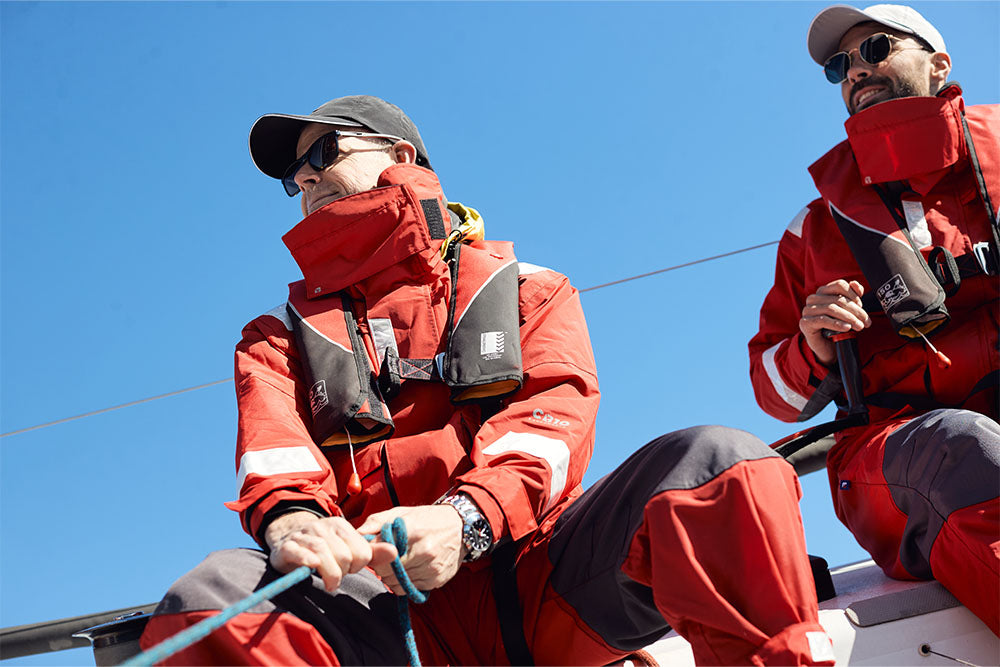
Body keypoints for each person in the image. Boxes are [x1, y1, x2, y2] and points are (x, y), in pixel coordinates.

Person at [140, 94, 836, 665]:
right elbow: (275, 457)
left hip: (538, 586)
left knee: (718, 464)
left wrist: (463, 521)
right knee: (210, 597)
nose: (307, 179)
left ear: (401, 157)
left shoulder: (531, 289)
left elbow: (551, 426)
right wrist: (298, 525)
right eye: (295, 177)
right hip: (378, 613)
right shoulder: (276, 335)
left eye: (324, 153)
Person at [749, 3, 999, 636]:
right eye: (840, 65)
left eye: (875, 49)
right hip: (896, 451)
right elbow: (772, 390)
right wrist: (813, 348)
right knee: (963, 448)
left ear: (939, 64)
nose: (855, 70)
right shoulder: (813, 228)